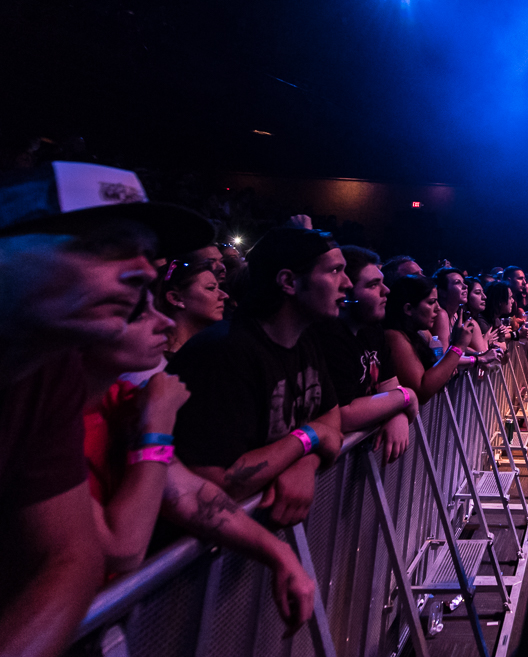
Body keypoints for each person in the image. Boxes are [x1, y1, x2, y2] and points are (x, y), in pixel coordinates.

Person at [0, 161, 212, 657]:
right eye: (104, 244)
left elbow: (72, 558)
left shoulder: (49, 373)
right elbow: (115, 548)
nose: (146, 272)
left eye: (145, 253)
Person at [80, 296, 316, 633]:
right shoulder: (43, 425)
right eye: (138, 314)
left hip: (103, 628)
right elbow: (121, 549)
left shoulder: (121, 401)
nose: (164, 322)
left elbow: (188, 493)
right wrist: (158, 426)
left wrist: (279, 553)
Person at [168, 227, 348, 526]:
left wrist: (305, 461)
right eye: (334, 270)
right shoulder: (224, 353)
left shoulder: (304, 338)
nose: (347, 283)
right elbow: (213, 483)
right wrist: (309, 437)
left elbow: (331, 420)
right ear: (288, 281)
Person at [311, 246, 418, 463]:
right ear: (345, 294)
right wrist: (407, 396)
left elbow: (390, 388)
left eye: (382, 282)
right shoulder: (329, 336)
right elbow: (344, 415)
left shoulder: (372, 330)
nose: (386, 290)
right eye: (372, 285)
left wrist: (398, 411)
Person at [383, 275, 476, 404]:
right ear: (408, 309)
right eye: (431, 302)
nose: (438, 308)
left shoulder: (415, 334)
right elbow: (421, 390)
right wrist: (458, 346)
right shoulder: (394, 336)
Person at [156, 257, 229, 357]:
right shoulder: (156, 361)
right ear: (176, 298)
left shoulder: (217, 349)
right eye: (211, 288)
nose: (224, 295)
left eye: (218, 288)